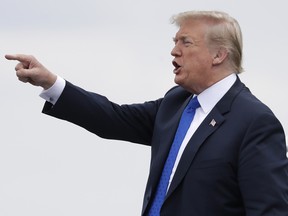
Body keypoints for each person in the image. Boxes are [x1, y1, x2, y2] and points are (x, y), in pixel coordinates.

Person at [5, 10, 288, 216]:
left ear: (219, 55)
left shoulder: (254, 122)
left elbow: (269, 211)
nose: (174, 51)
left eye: (185, 43)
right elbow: (113, 119)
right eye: (174, 42)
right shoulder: (176, 103)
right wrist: (51, 83)